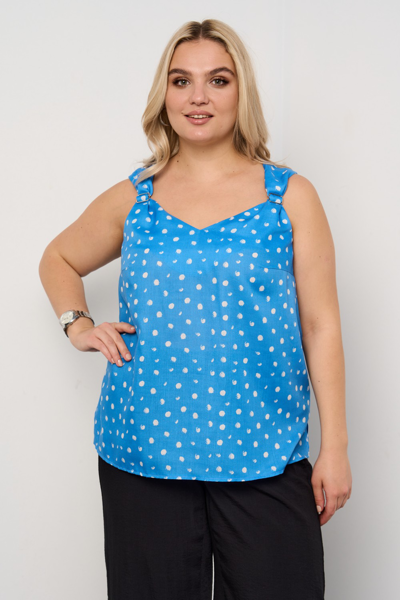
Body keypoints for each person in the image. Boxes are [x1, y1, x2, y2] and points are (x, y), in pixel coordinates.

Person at [39, 18, 352, 600]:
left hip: (264, 450)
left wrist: (334, 446)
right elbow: (58, 257)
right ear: (165, 95)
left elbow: (320, 325)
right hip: (143, 450)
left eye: (218, 80)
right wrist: (77, 324)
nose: (198, 97)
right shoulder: (136, 197)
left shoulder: (289, 196)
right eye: (181, 81)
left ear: (241, 92)